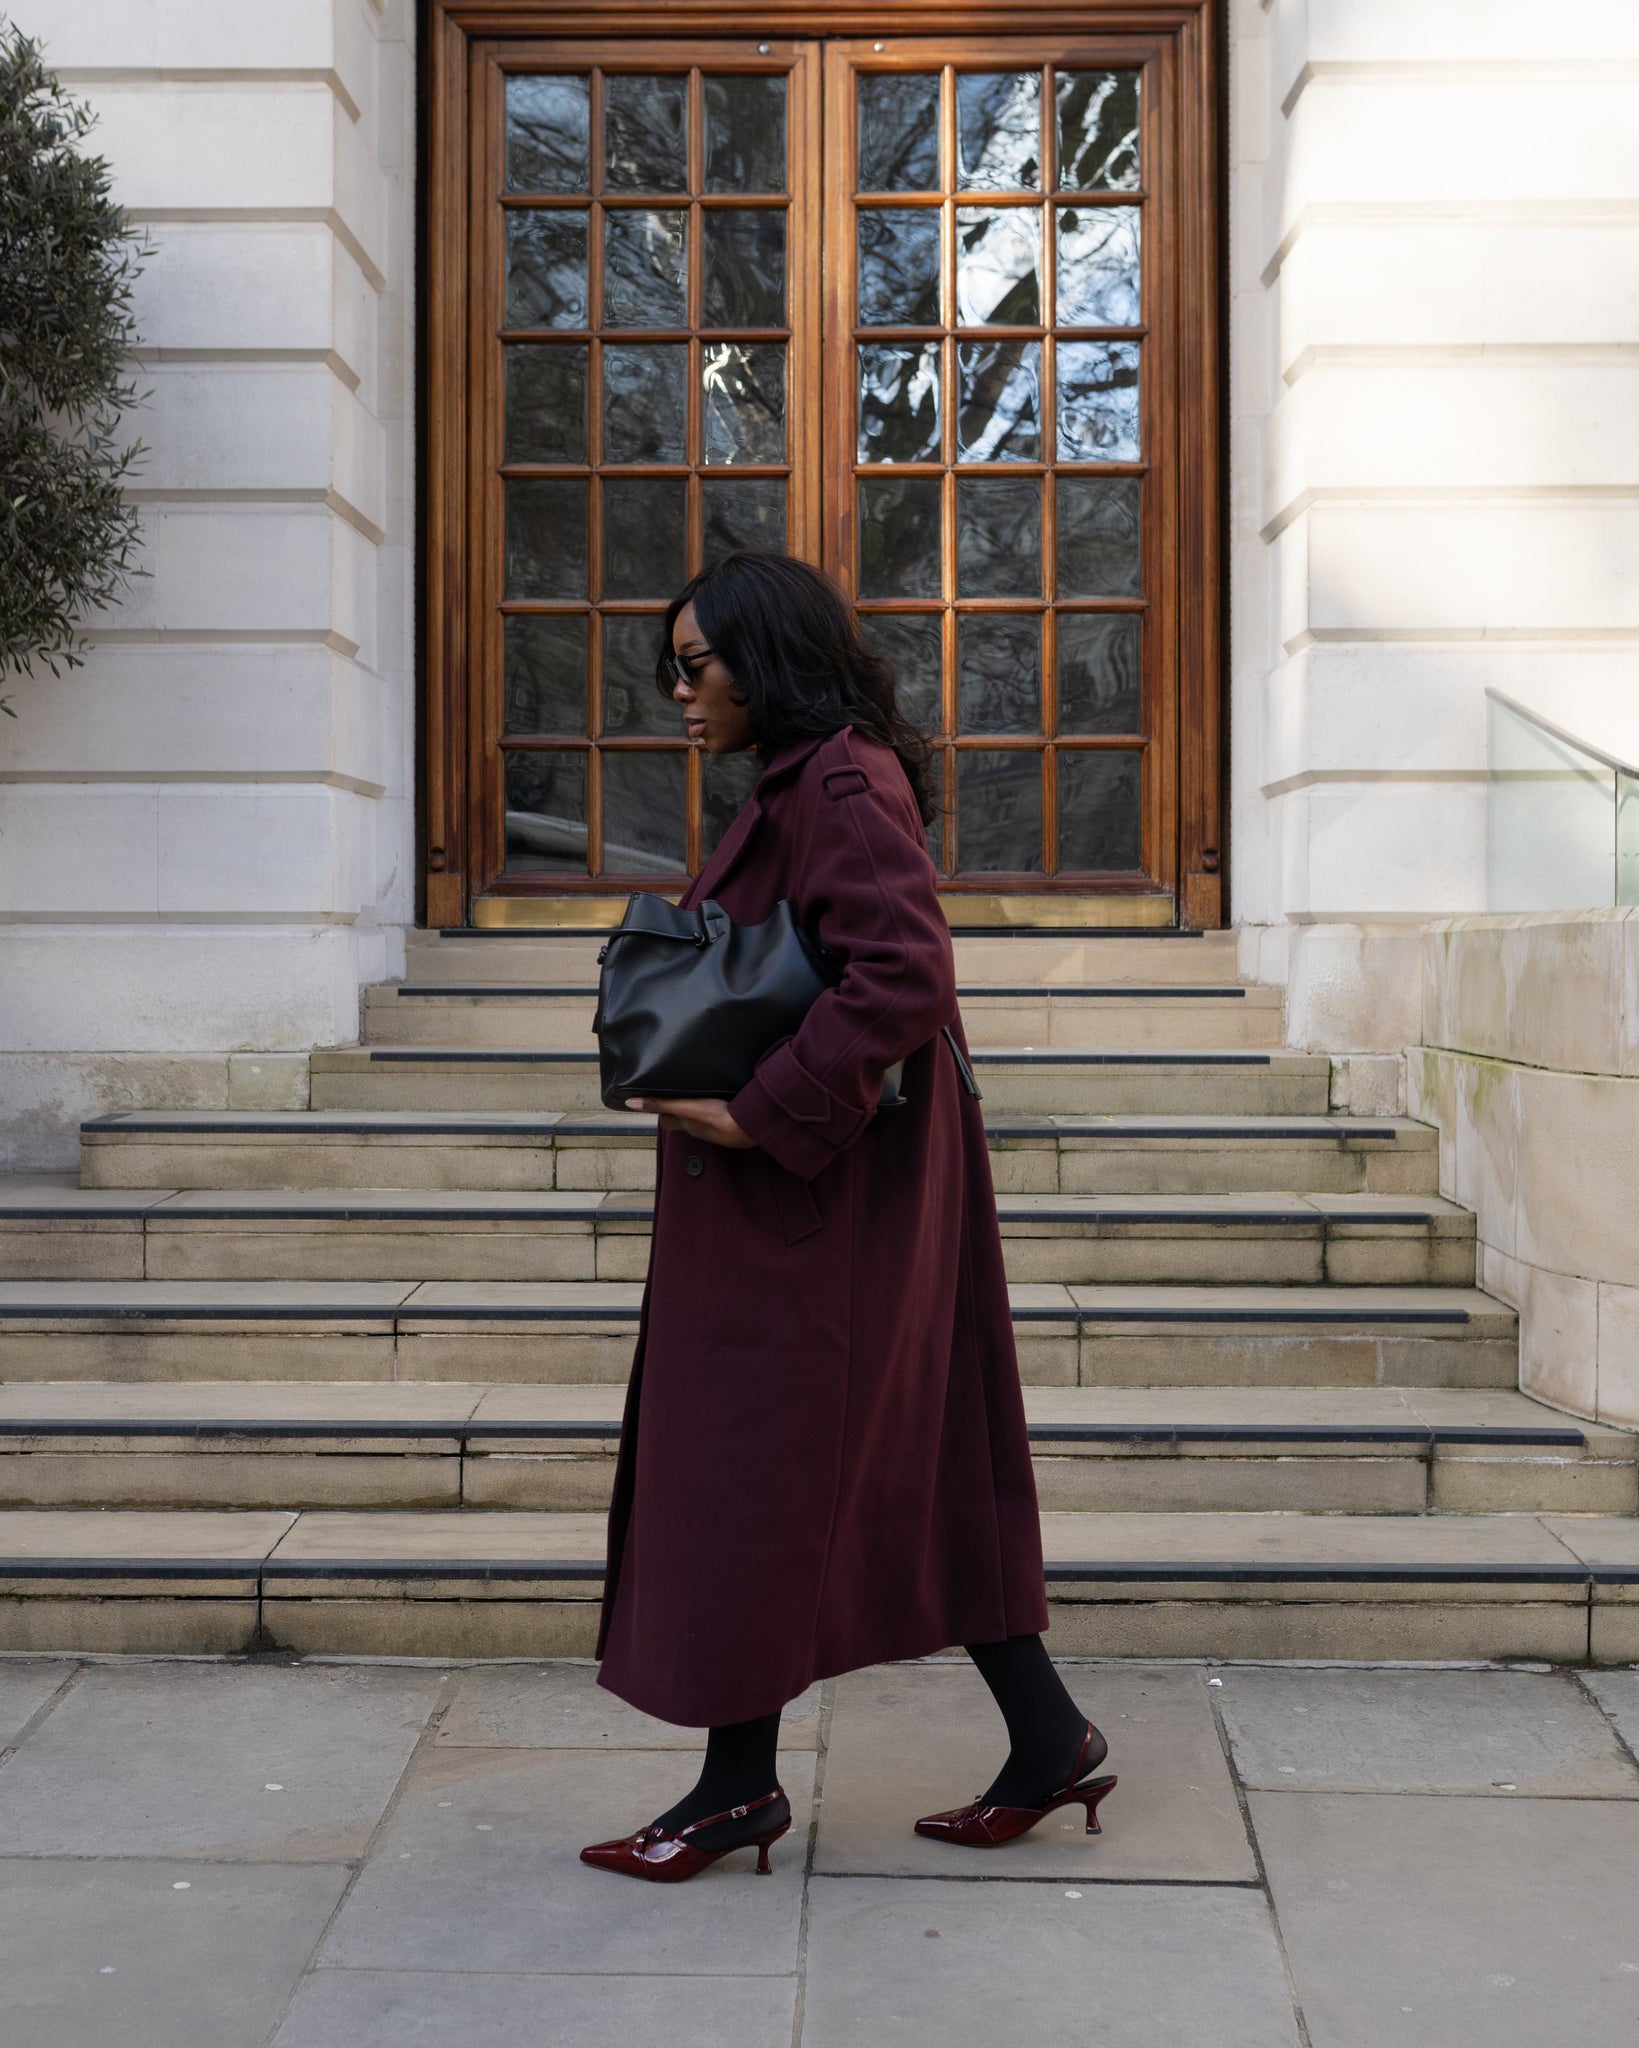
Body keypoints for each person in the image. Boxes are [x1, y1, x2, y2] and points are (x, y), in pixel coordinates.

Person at [580, 552, 1114, 1884]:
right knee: (891, 1470)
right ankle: (1042, 1741)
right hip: (829, 1201)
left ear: (766, 658)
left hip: (822, 1207)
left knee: (755, 1467)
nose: (680, 693)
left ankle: (730, 1792)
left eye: (695, 666)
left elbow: (906, 974)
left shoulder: (833, 783)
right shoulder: (804, 782)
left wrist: (765, 1109)